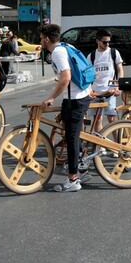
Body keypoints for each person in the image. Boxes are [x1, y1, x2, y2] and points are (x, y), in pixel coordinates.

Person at [40, 24, 92, 192]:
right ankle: (82, 170)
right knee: (70, 134)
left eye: (41, 38)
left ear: (47, 39)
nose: (40, 41)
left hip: (75, 100)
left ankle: (73, 179)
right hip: (77, 97)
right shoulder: (67, 46)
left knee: (72, 138)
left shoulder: (57, 52)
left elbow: (66, 77)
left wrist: (51, 97)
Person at [89, 29, 124, 133]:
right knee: (97, 120)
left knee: (112, 119)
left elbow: (120, 69)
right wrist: (89, 90)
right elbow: (88, 75)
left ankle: (117, 144)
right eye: (104, 42)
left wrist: (118, 86)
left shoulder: (114, 53)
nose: (107, 44)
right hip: (96, 92)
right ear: (98, 41)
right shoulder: (92, 56)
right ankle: (101, 146)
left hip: (110, 91)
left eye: (109, 42)